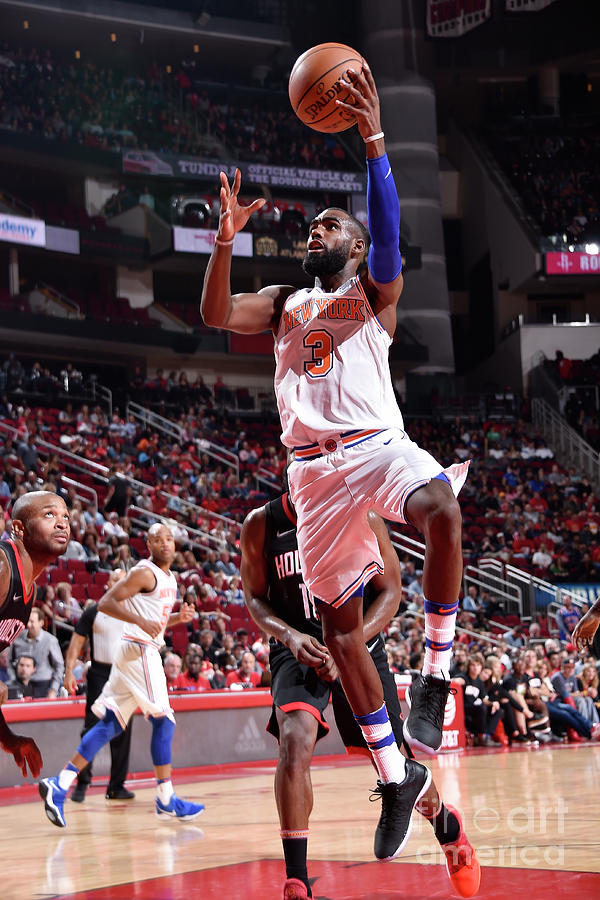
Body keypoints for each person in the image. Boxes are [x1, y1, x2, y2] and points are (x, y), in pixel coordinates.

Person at [201, 64, 468, 860]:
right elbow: (216, 313)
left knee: (444, 510)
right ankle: (397, 777)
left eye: (329, 227)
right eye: (310, 227)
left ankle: (435, 677)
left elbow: (387, 237)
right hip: (311, 475)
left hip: (375, 446)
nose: (315, 233)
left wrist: (374, 140)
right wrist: (224, 236)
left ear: (353, 248)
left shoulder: (372, 298)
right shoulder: (287, 302)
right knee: (341, 633)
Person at [241, 493, 479, 900]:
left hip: (358, 643)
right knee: (294, 741)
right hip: (298, 648)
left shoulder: (360, 511)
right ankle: (296, 880)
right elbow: (255, 599)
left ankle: (448, 831)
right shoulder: (261, 524)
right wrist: (288, 635)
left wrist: (347, 644)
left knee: (392, 763)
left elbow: (390, 593)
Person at [39, 524, 204, 827]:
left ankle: (59, 784)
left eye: (169, 538)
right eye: (157, 538)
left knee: (110, 724)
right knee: (164, 720)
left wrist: (177, 619)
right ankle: (166, 799)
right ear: (148, 544)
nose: (165, 543)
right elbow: (106, 602)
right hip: (139, 650)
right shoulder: (145, 571)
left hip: (133, 651)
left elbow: (155, 622)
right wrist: (141, 620)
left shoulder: (169, 578)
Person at [0, 491, 70, 779]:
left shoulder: (30, 588)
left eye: (65, 516)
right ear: (18, 528)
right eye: (49, 514)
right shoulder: (3, 567)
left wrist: (8, 739)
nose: (62, 523)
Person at [63, 569, 136, 803]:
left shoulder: (135, 613)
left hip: (125, 674)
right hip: (100, 673)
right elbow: (76, 644)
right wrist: (68, 672)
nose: (119, 583)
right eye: (115, 579)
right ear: (108, 583)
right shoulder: (94, 610)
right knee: (91, 728)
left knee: (122, 732)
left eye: (123, 579)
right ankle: (82, 782)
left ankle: (116, 787)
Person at [9, 607, 64, 698]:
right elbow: (9, 661)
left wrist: (53, 689)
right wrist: (13, 680)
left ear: (41, 623)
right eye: (27, 621)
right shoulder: (17, 638)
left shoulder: (50, 640)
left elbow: (59, 666)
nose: (28, 625)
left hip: (43, 686)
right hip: (19, 685)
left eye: (32, 621)